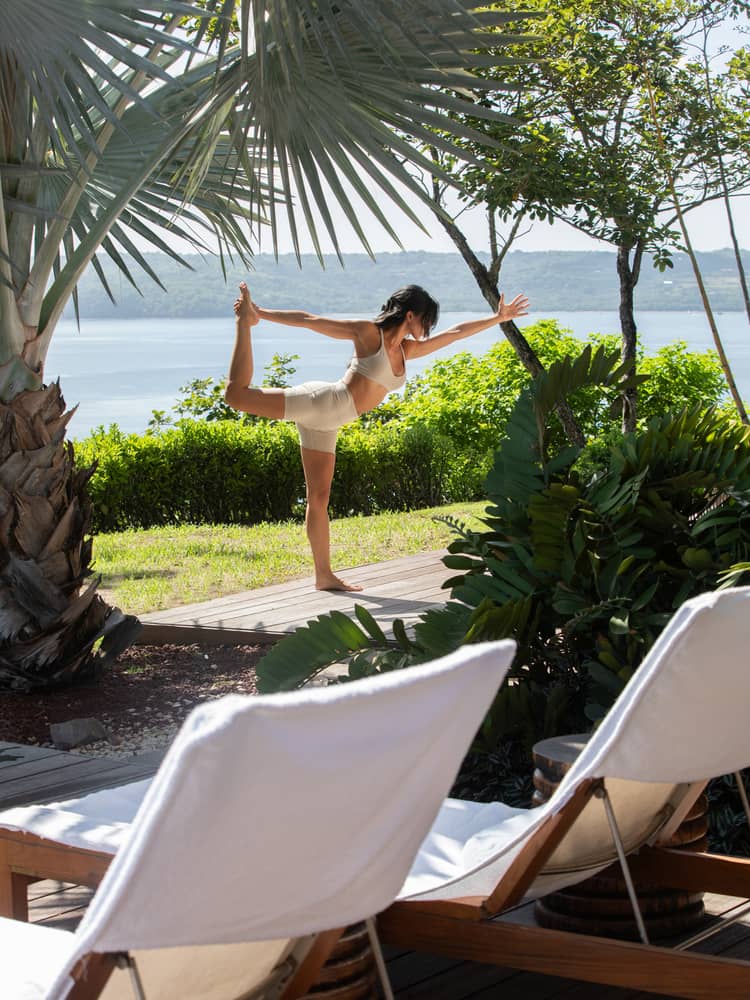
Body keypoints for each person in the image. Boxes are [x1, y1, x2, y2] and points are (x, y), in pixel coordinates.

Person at [225, 282, 529, 591]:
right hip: (321, 403)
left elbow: (455, 334)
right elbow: (310, 320)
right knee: (236, 395)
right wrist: (260, 313)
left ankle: (324, 575)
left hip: (328, 424)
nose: (429, 328)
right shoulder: (369, 333)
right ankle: (245, 322)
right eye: (427, 320)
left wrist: (497, 318)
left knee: (318, 498)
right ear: (410, 315)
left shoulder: (406, 350)